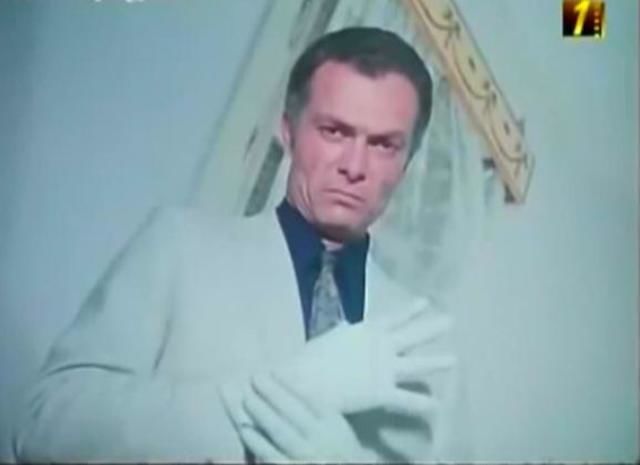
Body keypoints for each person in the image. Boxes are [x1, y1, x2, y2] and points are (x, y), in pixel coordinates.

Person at [12, 27, 471, 463]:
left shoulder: (427, 343)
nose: (354, 165)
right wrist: (281, 395)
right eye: (334, 131)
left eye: (384, 145)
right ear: (288, 131)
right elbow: (44, 423)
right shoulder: (180, 247)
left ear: (407, 161)